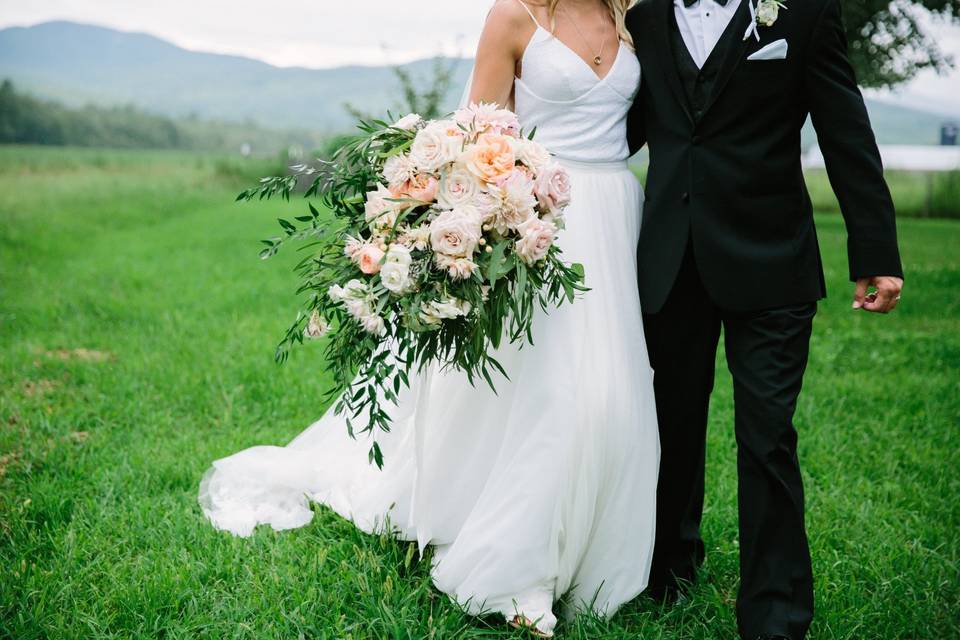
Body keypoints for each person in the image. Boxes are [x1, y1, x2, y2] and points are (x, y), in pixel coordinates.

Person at [199, 1, 658, 636]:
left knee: (616, 390)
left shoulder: (636, 16)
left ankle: (600, 555)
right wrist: (486, 216)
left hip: (616, 216)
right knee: (551, 394)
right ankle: (520, 571)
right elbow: (477, 137)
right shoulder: (515, 16)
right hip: (542, 225)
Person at [625, 0, 904, 638]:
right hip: (670, 260)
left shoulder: (803, 16)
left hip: (772, 262)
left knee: (767, 435)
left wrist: (877, 253)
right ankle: (668, 572)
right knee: (670, 426)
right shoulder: (641, 22)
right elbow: (615, 123)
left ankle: (774, 611)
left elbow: (846, 131)